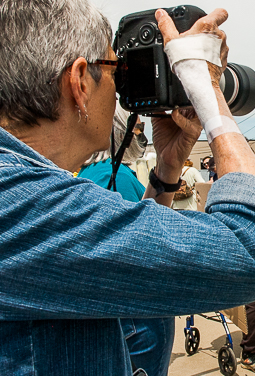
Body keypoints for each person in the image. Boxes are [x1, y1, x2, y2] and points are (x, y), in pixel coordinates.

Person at [0, 3, 255, 374]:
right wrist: (207, 93)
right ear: (79, 82)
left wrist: (167, 167)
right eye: (116, 70)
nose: (121, 92)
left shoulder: (23, 196)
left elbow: (138, 261)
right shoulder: (22, 204)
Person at [78, 106, 174, 376]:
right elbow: (147, 241)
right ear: (118, 130)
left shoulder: (87, 174)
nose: (141, 135)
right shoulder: (117, 176)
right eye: (137, 128)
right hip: (134, 318)